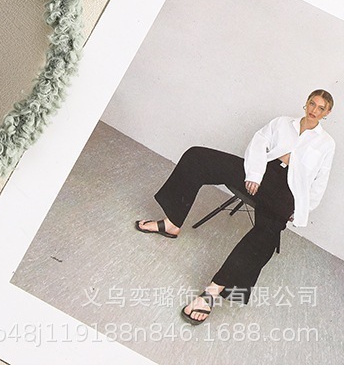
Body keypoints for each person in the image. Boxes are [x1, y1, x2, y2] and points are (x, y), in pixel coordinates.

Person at [134, 89, 335, 324]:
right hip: (261, 171)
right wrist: (255, 174)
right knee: (197, 156)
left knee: (266, 236)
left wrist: (301, 209)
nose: (314, 110)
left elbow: (320, 180)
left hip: (287, 191)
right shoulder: (282, 123)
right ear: (306, 103)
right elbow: (259, 143)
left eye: (321, 108)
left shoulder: (326, 143)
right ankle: (172, 222)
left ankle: (212, 292)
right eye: (312, 103)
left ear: (327, 113)